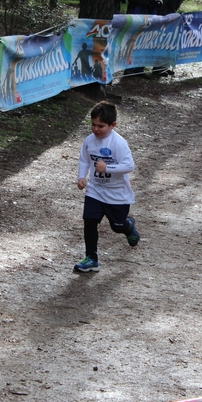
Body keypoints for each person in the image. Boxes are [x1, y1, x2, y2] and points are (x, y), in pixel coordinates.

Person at [74, 101, 140, 273]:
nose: (96, 129)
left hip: (116, 193)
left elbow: (129, 166)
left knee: (117, 226)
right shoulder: (89, 141)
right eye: (93, 125)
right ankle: (91, 258)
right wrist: (82, 177)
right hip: (95, 189)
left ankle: (128, 226)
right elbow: (84, 160)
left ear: (113, 125)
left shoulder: (118, 143)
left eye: (100, 126)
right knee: (89, 221)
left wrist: (107, 168)